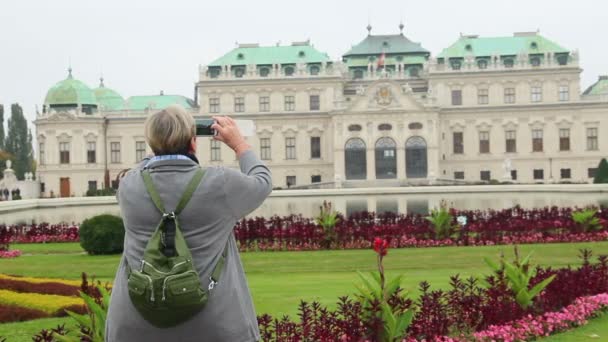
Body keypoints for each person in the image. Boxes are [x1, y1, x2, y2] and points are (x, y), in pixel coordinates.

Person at [105, 104, 272, 341]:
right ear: (193, 142)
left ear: (151, 144)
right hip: (213, 324)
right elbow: (262, 181)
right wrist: (239, 144)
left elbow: (144, 166)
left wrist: (161, 145)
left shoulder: (128, 186)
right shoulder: (220, 183)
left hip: (134, 324)